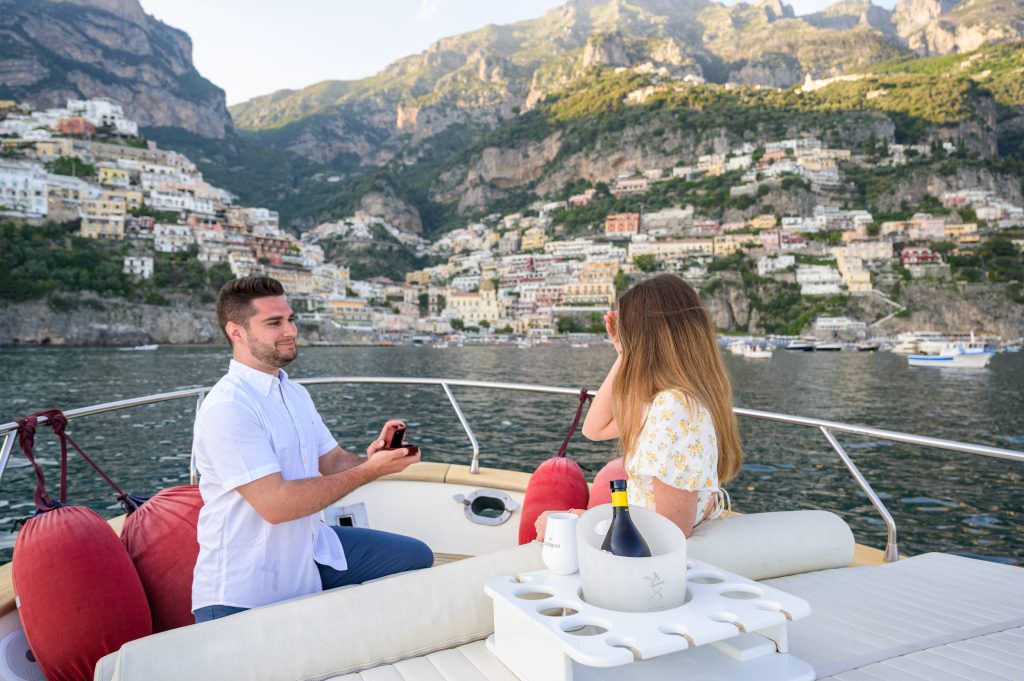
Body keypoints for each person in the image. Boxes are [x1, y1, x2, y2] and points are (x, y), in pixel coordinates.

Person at [191, 275, 432, 623]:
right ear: (236, 332)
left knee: (414, 556)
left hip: (309, 552)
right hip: (245, 588)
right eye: (274, 323)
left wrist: (373, 459)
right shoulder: (229, 407)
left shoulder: (294, 393)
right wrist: (368, 473)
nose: (290, 331)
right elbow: (276, 505)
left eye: (291, 320)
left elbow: (332, 460)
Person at [536, 274, 743, 539]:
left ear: (645, 340)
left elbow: (670, 530)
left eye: (629, 335)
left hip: (639, 548)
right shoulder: (672, 400)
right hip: (631, 535)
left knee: (546, 527)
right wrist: (624, 354)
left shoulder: (674, 408)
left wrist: (580, 522)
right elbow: (594, 429)